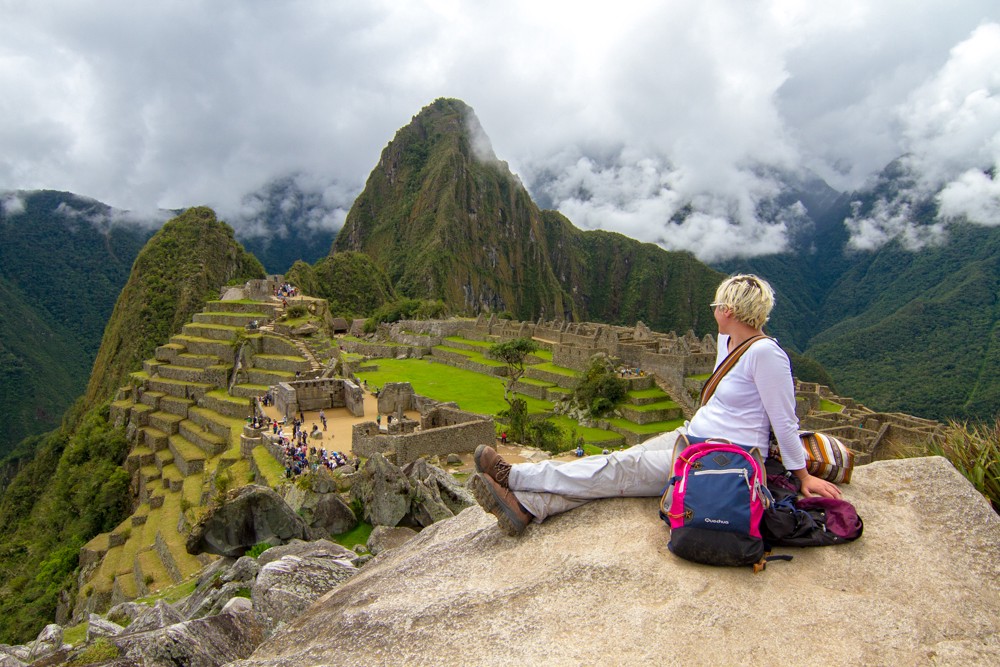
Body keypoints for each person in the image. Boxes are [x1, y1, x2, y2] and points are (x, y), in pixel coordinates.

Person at [470, 274, 843, 537]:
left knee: (616, 469)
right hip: (692, 436)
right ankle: (530, 506)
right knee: (621, 467)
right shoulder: (725, 341)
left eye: (717, 304)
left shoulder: (767, 355)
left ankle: (514, 478)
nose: (713, 309)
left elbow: (784, 420)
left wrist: (803, 476)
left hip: (723, 457)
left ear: (729, 309)